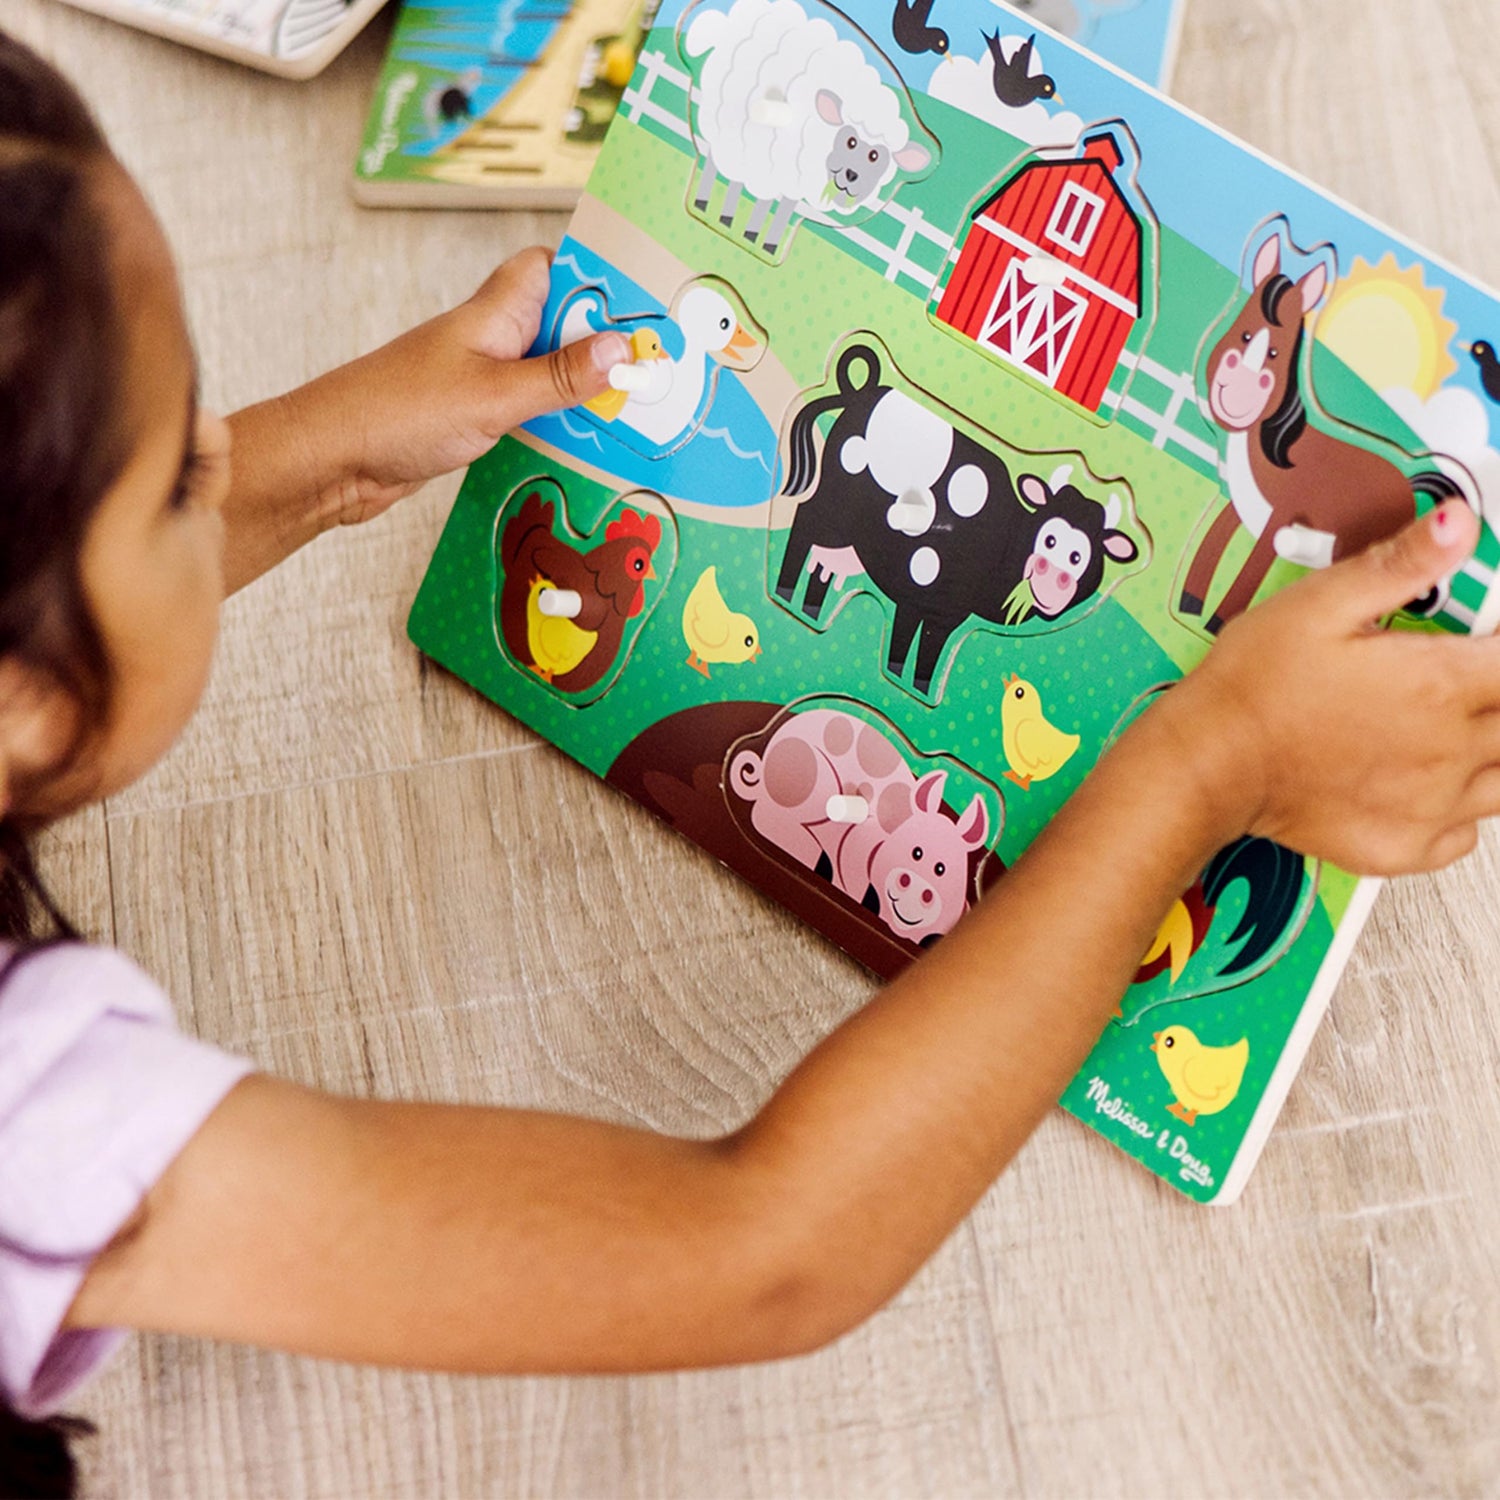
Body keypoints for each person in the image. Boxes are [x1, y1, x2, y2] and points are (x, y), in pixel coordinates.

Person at [5, 29, 1500, 1498]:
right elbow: (761, 1252)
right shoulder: (35, 1126)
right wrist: (1208, 762)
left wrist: (328, 456)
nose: (224, 450)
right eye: (183, 473)